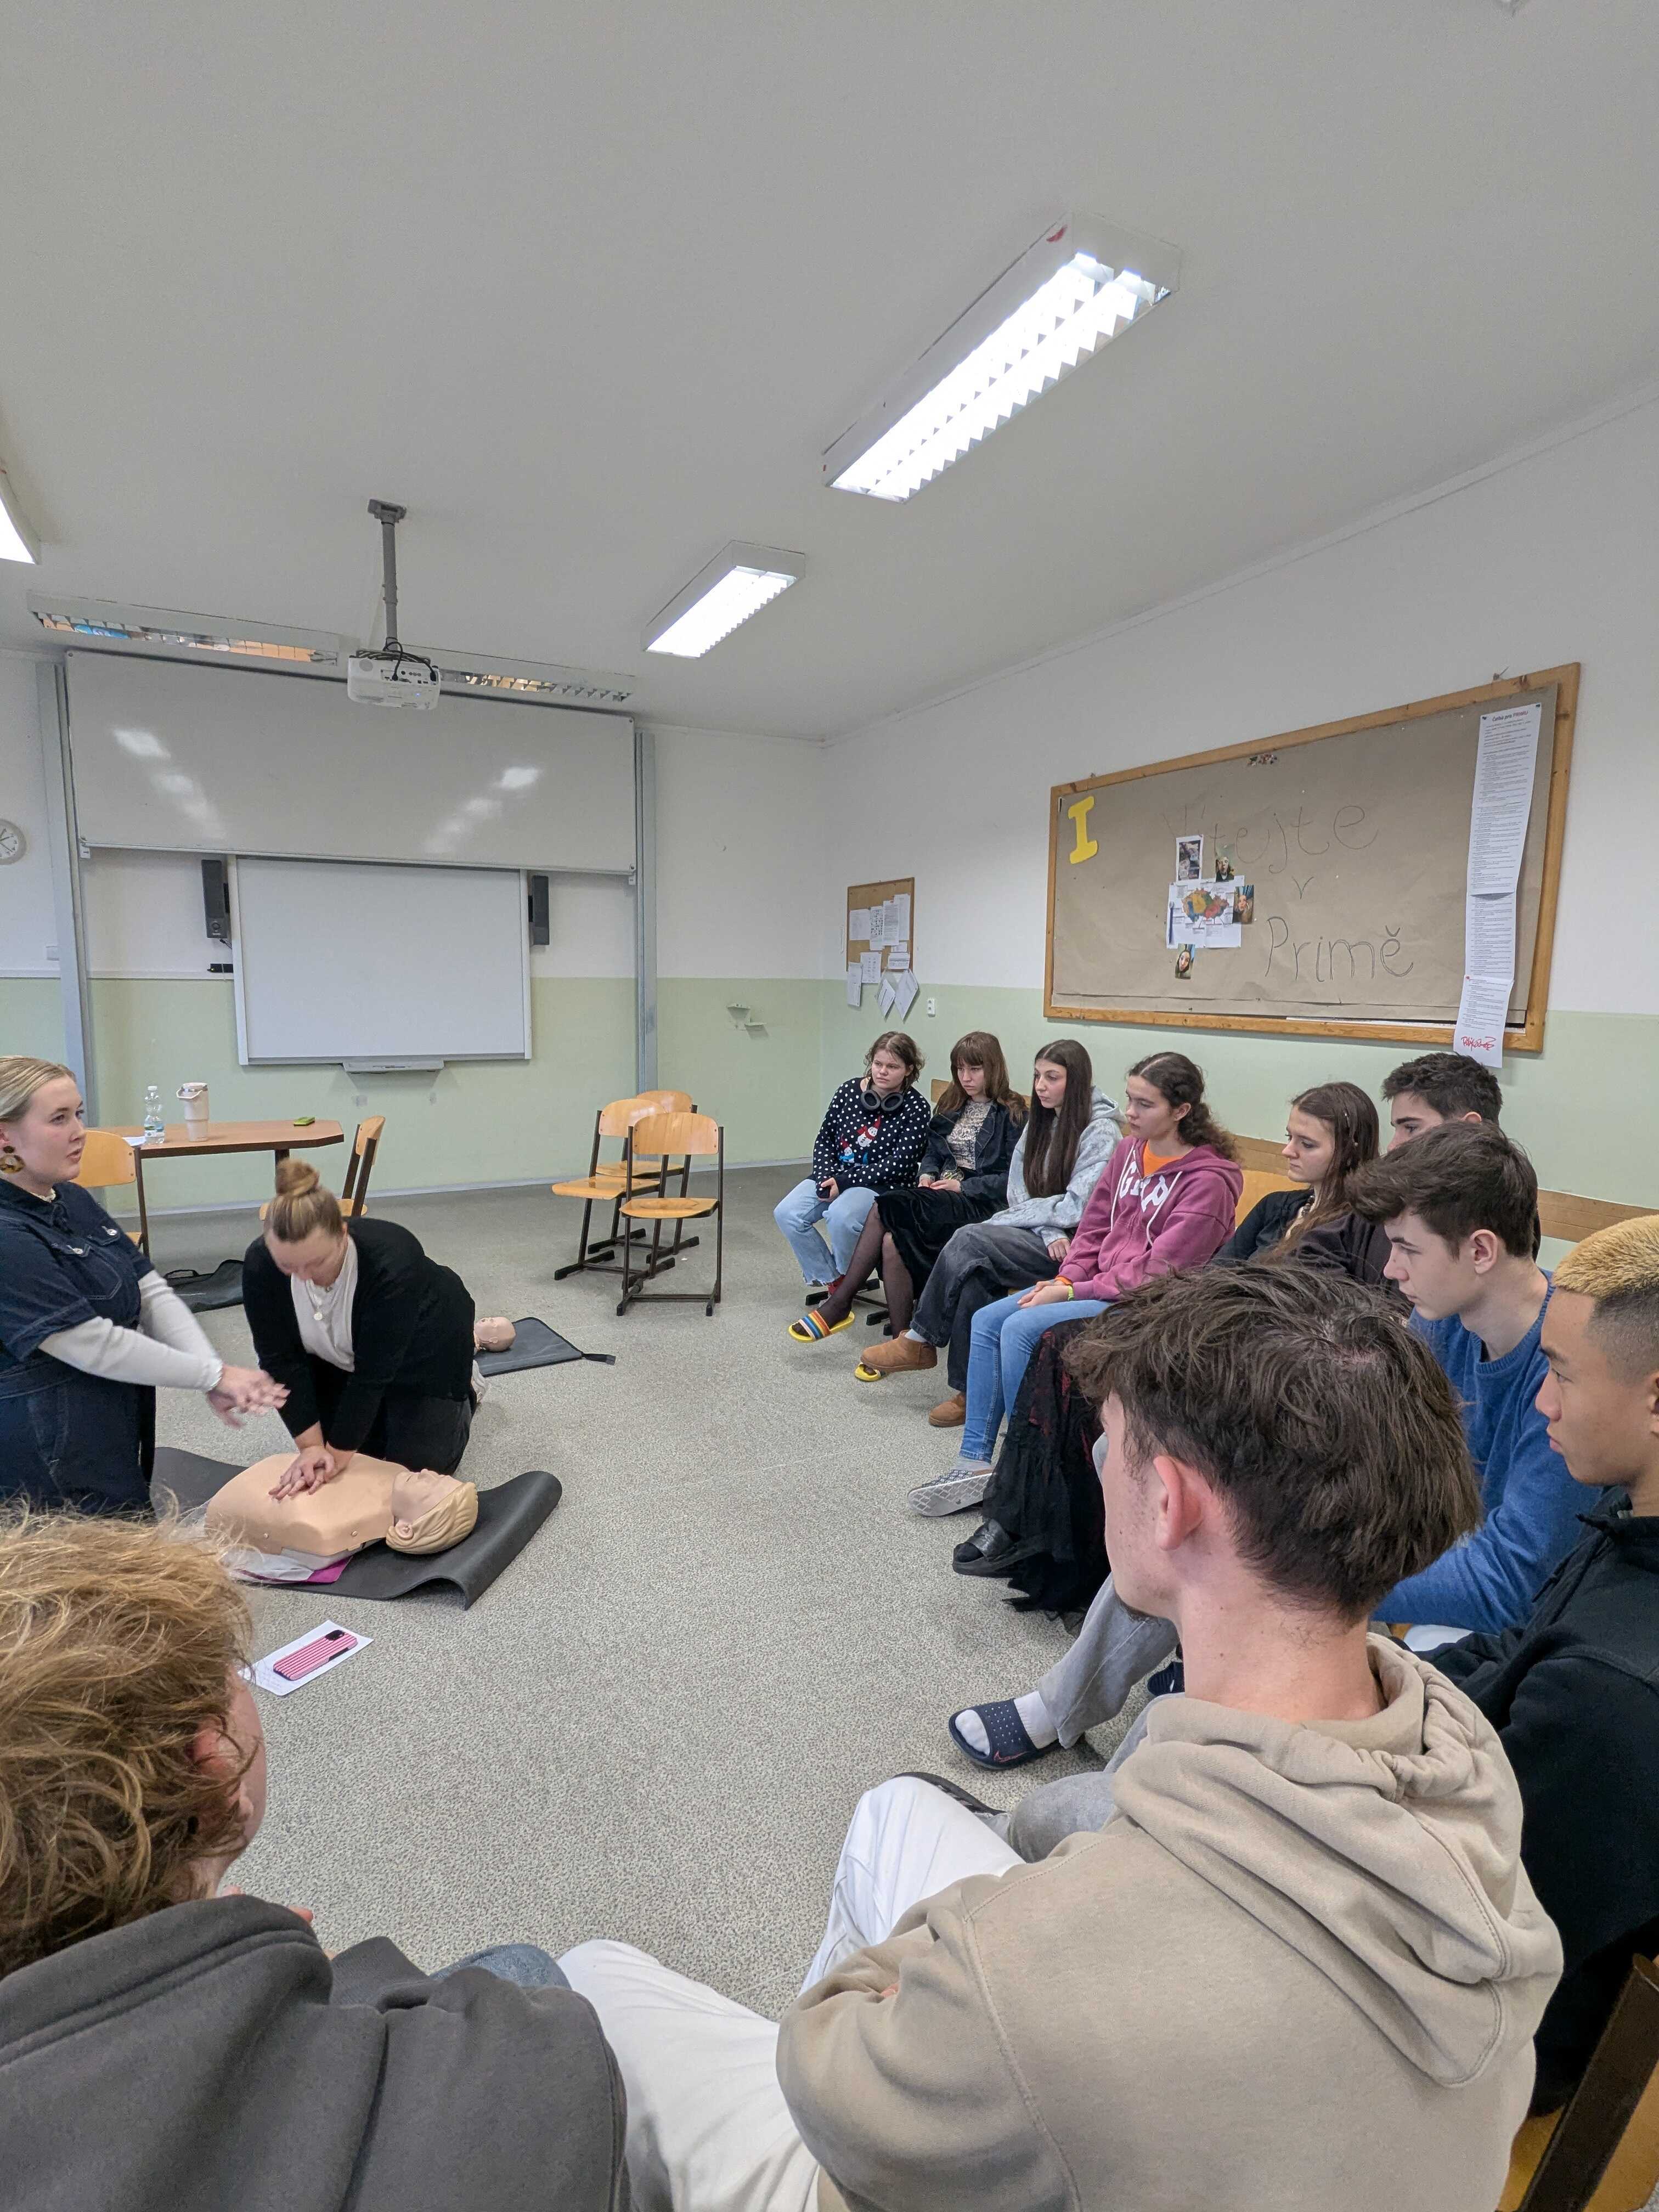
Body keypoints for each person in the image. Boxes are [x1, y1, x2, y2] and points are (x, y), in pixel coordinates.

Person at [560, 1266, 1559, 2212]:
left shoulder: (1032, 1969)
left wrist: (953, 1970)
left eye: (1109, 1443)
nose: (1096, 1464)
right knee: (897, 1809)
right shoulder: (1452, 1743)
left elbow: (826, 2071)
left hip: (964, 2062)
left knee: (591, 1979)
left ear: (1169, 1503)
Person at [0, 1508, 627, 2210]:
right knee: (528, 1969)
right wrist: (298, 1969)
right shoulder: (517, 2071)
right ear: (212, 1763)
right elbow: (546, 2066)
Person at [949, 1120, 1582, 1767]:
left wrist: (1293, 1580)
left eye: (1406, 1250)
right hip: (1408, 1533)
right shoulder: (1442, 1319)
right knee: (1199, 1518)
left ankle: (1133, 1783)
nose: (1391, 1269)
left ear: (1481, 1251)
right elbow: (1376, 1451)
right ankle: (1067, 1708)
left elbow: (1506, 1583)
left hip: (1479, 1603)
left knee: (1237, 1585)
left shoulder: (1569, 1374)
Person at [1435, 1214, 1659, 2111]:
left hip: (1486, 2048)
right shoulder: (1627, 1514)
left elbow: (1475, 1934)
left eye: (1561, 1373)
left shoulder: (1613, 1693)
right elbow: (1517, 1642)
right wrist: (1367, 1688)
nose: (1541, 1404)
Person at [906, 1051, 1242, 1517]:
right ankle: (974, 1462)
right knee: (987, 1320)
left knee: (1021, 1328)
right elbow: (1093, 1229)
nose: (1130, 1112)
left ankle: (1023, 1469)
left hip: (1152, 1304)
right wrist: (1066, 1277)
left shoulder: (1209, 1180)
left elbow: (1160, 1272)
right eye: (1130, 1099)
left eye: (1145, 1105)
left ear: (1182, 1111)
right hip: (1097, 1286)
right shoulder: (1129, 1152)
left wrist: (1071, 1292)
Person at [0, 1057, 281, 1514]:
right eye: (59, 1119)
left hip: (103, 1424)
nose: (80, 1132)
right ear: (4, 1137)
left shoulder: (68, 1197)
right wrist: (213, 1376)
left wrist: (209, 1367)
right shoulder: (7, 1234)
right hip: (45, 1449)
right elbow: (92, 1345)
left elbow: (150, 1290)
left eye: (78, 1113)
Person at [854, 1038, 1119, 1410]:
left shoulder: (1101, 1131)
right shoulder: (1043, 1118)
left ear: (1075, 1081)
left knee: (969, 1239)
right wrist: (1047, 1229)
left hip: (1076, 1246)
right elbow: (1018, 1187)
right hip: (1043, 1232)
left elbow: (1079, 1205)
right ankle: (971, 1394)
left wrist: (1051, 1230)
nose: (1040, 1086)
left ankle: (919, 1339)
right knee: (976, 1274)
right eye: (1037, 1076)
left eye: (1052, 1077)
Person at [242, 1160, 477, 1491]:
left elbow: (373, 1375)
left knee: (414, 1474)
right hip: (337, 1349)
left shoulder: (393, 1260)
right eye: (289, 1266)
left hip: (427, 1341)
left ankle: (469, 1383)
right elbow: (280, 1360)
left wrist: (336, 1458)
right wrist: (311, 1449)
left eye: (317, 1263)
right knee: (359, 1456)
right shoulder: (260, 1263)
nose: (304, 1277)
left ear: (342, 1234)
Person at [788, 1032, 1024, 1344]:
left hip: (976, 1200)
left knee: (886, 1204)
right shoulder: (953, 1103)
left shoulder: (1013, 1113)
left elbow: (1013, 1178)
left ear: (993, 1068)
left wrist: (962, 1186)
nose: (965, 1078)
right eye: (960, 1069)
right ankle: (903, 1342)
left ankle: (840, 1303)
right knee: (890, 1240)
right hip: (939, 1194)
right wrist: (926, 1174)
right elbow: (933, 1153)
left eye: (975, 1070)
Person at [1299, 1049, 1504, 1283]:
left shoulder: (1503, 1211)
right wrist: (1352, 1303)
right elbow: (1313, 1250)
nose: (1393, 1146)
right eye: (1396, 1129)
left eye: (1411, 1128)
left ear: (1469, 1129)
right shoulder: (1397, 1196)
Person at [772, 1033, 931, 1294]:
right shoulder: (848, 1091)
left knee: (841, 1217)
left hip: (881, 1183)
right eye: (878, 1064)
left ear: (909, 1070)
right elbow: (825, 1138)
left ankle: (848, 1279)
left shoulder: (917, 1107)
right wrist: (824, 1175)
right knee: (787, 1213)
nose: (882, 1072)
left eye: (892, 1067)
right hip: (836, 1174)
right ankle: (835, 1280)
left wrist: (844, 1182)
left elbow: (900, 1164)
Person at [1214, 1078, 1379, 1260]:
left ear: (1348, 1151)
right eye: (1289, 1137)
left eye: (1307, 1144)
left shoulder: (1361, 1230)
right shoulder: (1273, 1207)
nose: (1287, 1151)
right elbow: (1218, 1268)